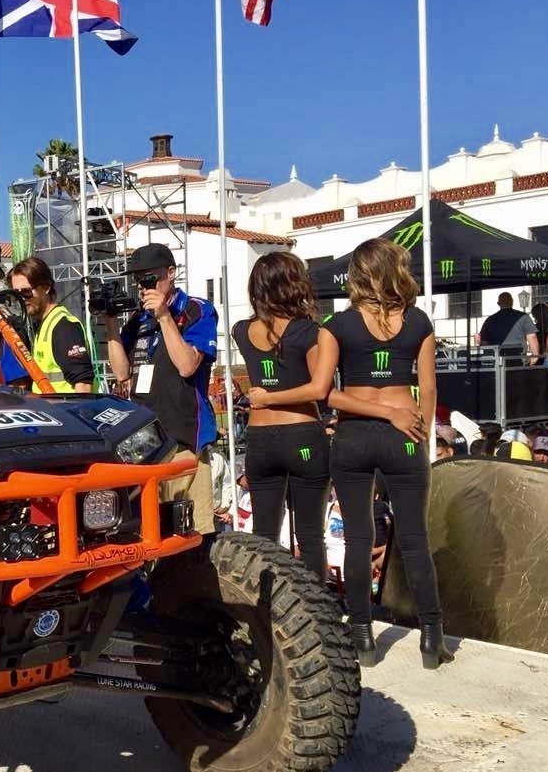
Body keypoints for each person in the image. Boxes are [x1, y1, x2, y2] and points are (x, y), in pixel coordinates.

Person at [253, 239, 446, 669]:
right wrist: (417, 431)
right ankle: (432, 637)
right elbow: (429, 387)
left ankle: (362, 637)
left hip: (354, 437)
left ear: (357, 275)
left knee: (359, 538)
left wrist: (378, 412)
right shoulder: (418, 321)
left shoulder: (337, 325)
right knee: (414, 538)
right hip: (404, 434)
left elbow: (326, 394)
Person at [104, 244, 219, 534]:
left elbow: (187, 366)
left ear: (171, 273)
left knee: (193, 532)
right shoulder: (139, 319)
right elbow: (121, 373)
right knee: (148, 533)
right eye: (138, 281)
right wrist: (110, 324)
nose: (143, 287)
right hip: (143, 441)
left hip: (183, 438)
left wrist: (165, 317)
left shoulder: (196, 310)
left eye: (149, 279)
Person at [231, 252, 331, 578]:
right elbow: (318, 389)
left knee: (264, 537)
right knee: (311, 537)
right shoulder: (307, 331)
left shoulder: (241, 330)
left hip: (260, 440)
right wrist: (274, 397)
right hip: (301, 434)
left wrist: (265, 397)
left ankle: (264, 603)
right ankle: (316, 606)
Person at [8, 257, 93, 394]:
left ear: (46, 287)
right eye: (16, 294)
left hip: (66, 407)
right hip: (49, 406)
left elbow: (83, 385)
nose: (21, 299)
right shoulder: (44, 324)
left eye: (26, 292)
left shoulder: (63, 326)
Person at [476, 292, 539, 363]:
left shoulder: (489, 320)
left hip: (498, 360)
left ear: (498, 303)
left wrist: (489, 360)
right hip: (519, 359)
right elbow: (532, 337)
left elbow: (484, 342)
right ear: (512, 301)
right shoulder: (523, 317)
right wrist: (535, 357)